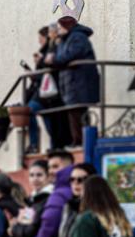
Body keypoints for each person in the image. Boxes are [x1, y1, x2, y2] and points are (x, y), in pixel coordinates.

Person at [40, 16, 98, 147]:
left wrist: (53, 59)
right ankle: (79, 140)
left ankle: (82, 141)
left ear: (67, 26)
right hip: (73, 82)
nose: (58, 30)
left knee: (78, 112)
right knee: (74, 112)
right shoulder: (66, 39)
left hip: (80, 82)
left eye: (60, 27)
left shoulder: (78, 37)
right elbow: (60, 57)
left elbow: (69, 56)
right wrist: (52, 59)